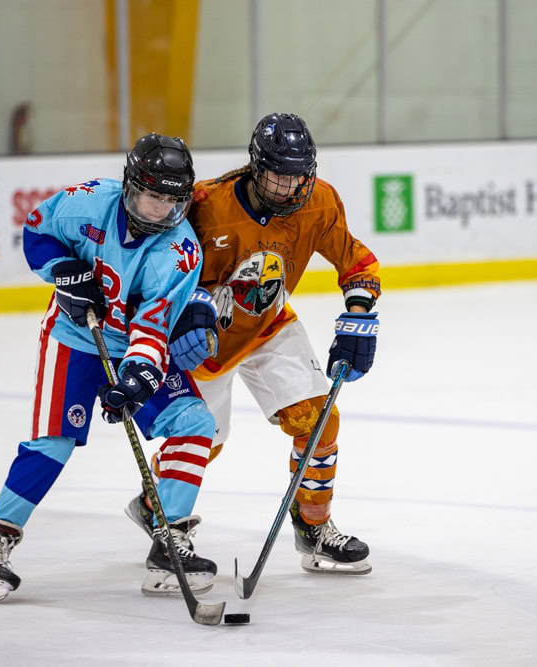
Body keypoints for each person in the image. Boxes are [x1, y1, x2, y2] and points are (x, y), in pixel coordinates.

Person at [0, 134, 220, 603]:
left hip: (134, 345)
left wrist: (136, 380)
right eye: (152, 195)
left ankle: (168, 540)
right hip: (73, 339)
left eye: (171, 199)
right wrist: (63, 270)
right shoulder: (87, 202)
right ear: (130, 185)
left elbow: (154, 327)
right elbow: (38, 230)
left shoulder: (181, 252)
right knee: (53, 442)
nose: (160, 209)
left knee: (195, 422)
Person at [126, 113, 381, 575]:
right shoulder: (205, 203)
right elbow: (157, 268)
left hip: (267, 326)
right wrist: (188, 307)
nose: (289, 187)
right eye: (278, 175)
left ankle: (314, 528)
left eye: (297, 175)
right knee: (200, 442)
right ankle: (157, 509)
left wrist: (359, 317)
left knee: (320, 422)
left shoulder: (320, 202)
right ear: (255, 167)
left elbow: (356, 262)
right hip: (200, 345)